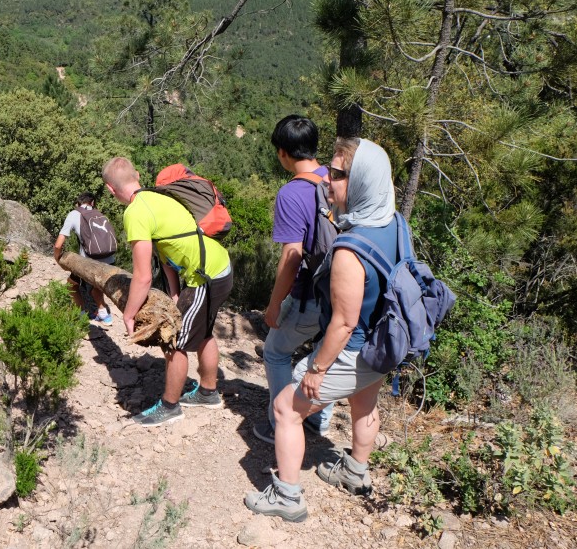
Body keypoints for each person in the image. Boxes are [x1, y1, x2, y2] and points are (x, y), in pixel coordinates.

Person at [245, 137, 397, 522]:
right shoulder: (394, 223)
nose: (328, 180)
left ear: (362, 181)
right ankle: (355, 473)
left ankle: (287, 496)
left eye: (340, 175)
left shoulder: (350, 248)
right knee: (364, 406)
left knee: (285, 408)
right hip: (384, 342)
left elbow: (344, 323)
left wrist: (317, 369)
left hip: (353, 347)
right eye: (330, 171)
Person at [102, 157, 234, 427]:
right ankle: (208, 392)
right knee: (203, 330)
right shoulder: (158, 197)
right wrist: (175, 293)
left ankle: (169, 406)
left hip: (204, 277)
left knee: (173, 339)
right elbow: (166, 251)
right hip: (218, 268)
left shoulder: (135, 212)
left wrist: (129, 315)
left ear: (110, 190)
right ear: (137, 175)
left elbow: (142, 276)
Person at [253, 115, 335, 446]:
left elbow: (292, 257)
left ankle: (280, 423)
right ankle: (318, 419)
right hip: (344, 292)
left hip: (311, 293)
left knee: (274, 351)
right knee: (322, 351)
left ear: (283, 153)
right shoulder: (335, 177)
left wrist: (273, 305)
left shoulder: (292, 193)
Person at [53, 192, 115, 324]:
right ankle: (104, 315)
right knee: (96, 286)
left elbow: (58, 244)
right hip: (110, 259)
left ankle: (81, 315)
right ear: (92, 203)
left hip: (89, 262)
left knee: (71, 285)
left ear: (78, 203)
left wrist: (57, 258)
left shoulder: (74, 214)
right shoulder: (100, 214)